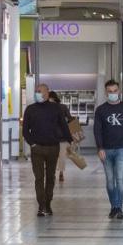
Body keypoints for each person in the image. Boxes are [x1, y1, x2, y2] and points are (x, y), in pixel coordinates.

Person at [22, 83, 72, 216]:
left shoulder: (56, 109)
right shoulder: (30, 109)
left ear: (47, 93)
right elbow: (25, 130)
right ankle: (41, 205)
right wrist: (32, 144)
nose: (38, 93)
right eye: (36, 91)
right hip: (37, 148)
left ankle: (48, 203)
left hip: (53, 147)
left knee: (50, 177)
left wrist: (70, 140)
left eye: (40, 91)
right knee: (39, 178)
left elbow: (63, 125)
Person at [93, 79, 123, 219]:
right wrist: (100, 148)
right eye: (110, 92)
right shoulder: (101, 110)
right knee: (109, 180)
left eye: (115, 91)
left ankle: (118, 207)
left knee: (119, 179)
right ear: (106, 93)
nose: (113, 93)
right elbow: (97, 131)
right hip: (106, 149)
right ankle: (113, 206)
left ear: (119, 91)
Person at [48, 90, 75, 182]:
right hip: (60, 136)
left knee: (55, 156)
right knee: (61, 156)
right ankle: (60, 173)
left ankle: (57, 173)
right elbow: (70, 119)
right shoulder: (63, 107)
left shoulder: (48, 108)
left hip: (53, 137)